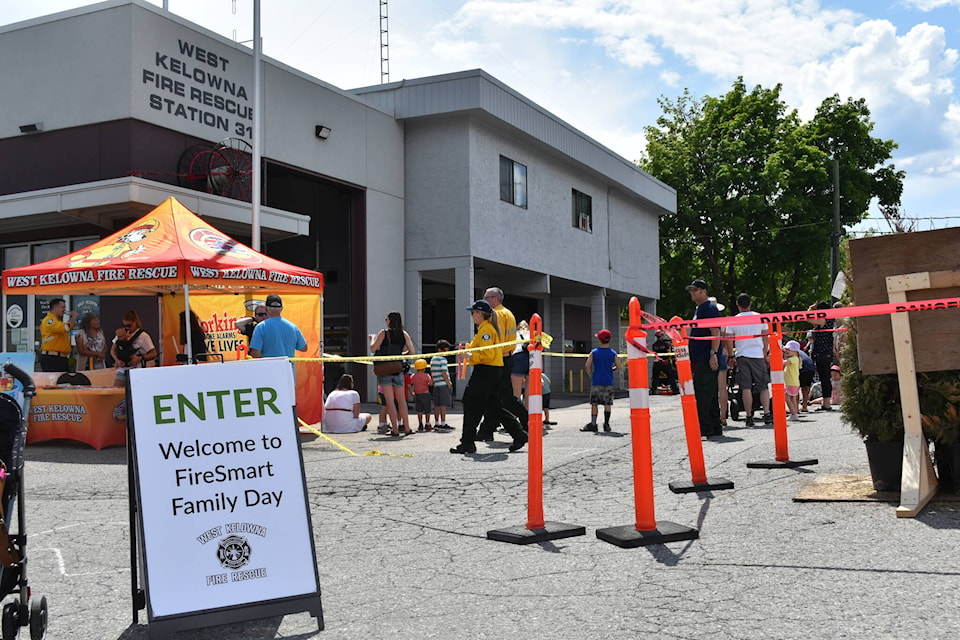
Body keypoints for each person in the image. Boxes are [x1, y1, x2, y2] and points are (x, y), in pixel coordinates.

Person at [450, 300, 527, 454]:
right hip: (492, 371)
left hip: (486, 371)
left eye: (473, 312)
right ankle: (518, 434)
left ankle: (467, 442)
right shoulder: (486, 329)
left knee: (471, 403)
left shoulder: (486, 330)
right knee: (494, 406)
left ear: (479, 313)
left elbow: (488, 354)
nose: (472, 316)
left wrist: (470, 355)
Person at [475, 287, 528, 441]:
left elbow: (494, 339)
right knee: (496, 397)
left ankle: (525, 422)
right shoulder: (508, 313)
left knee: (503, 397)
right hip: (507, 357)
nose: (485, 300)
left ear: (495, 298)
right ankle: (486, 430)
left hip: (498, 359)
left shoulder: (495, 314)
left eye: (487, 297)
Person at [725, 293, 771, 427]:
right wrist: (764, 352)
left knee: (745, 387)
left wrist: (731, 356)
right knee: (763, 386)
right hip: (757, 354)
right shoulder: (759, 317)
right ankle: (767, 414)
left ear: (738, 306)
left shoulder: (733, 320)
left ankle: (749, 416)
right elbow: (765, 336)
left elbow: (729, 339)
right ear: (750, 304)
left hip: (742, 355)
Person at [686, 279, 723, 438]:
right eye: (691, 290)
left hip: (706, 357)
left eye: (695, 290)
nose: (692, 293)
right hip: (702, 357)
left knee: (702, 394)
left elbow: (715, 332)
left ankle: (705, 428)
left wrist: (713, 354)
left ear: (704, 291)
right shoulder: (701, 308)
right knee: (711, 394)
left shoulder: (708, 308)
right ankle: (715, 427)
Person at [370, 311, 416, 437]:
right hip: (397, 368)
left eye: (386, 319)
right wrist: (400, 356)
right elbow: (411, 351)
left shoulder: (383, 333)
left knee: (390, 401)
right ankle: (407, 427)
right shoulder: (404, 334)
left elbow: (373, 349)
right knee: (402, 401)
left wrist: (372, 339)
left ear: (389, 321)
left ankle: (395, 429)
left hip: (384, 369)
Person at [580, 329, 622, 433]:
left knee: (594, 403)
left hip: (597, 381)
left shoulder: (594, 352)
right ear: (610, 340)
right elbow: (619, 367)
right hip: (608, 381)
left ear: (599, 340)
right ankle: (606, 424)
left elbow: (587, 366)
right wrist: (611, 370)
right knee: (607, 403)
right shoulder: (612, 353)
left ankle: (593, 424)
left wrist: (591, 375)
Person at [249, 295, 307, 360]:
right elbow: (304, 348)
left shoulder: (261, 327)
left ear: (266, 309)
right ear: (281, 309)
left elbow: (256, 354)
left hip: (268, 368)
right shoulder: (293, 327)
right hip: (288, 368)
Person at [111, 310, 157, 387]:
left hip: (137, 370)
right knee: (117, 391)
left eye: (129, 326)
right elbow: (113, 350)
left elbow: (153, 353)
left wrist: (140, 358)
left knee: (135, 391)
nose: (127, 328)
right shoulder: (122, 333)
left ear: (135, 322)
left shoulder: (143, 336)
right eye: (125, 326)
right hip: (122, 369)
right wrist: (117, 360)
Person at [807, 300, 836, 411]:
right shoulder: (828, 319)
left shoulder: (823, 319)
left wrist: (810, 308)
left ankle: (827, 403)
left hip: (823, 352)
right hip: (823, 352)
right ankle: (826, 402)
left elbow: (807, 318)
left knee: (824, 378)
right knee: (824, 378)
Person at [39, 298, 77, 372]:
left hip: (60, 358)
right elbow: (65, 328)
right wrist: (73, 317)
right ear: (55, 307)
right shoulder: (49, 320)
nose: (65, 310)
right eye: (63, 307)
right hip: (52, 359)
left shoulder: (57, 321)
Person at [431, 339, 454, 430]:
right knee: (443, 405)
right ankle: (443, 423)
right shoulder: (443, 359)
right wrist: (448, 382)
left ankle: (437, 423)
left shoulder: (433, 358)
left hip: (436, 384)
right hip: (443, 384)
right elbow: (444, 372)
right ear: (440, 350)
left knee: (437, 405)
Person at [650, 330, 679, 395]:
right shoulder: (666, 344)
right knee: (671, 376)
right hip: (665, 362)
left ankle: (653, 390)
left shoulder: (654, 345)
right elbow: (670, 352)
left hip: (657, 362)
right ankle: (675, 389)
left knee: (655, 377)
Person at [411, 359, 434, 431]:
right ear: (424, 368)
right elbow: (431, 383)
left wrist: (412, 392)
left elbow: (411, 384)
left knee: (419, 410)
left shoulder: (413, 376)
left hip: (418, 395)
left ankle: (420, 424)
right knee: (427, 409)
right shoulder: (426, 375)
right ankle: (427, 424)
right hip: (425, 394)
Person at [511, 319, 531, 405]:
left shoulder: (515, 334)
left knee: (516, 391)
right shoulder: (532, 334)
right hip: (531, 358)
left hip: (517, 358)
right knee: (529, 390)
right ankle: (528, 412)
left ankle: (515, 413)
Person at [782, 340, 802, 421]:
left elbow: (784, 363)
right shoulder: (796, 358)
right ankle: (795, 413)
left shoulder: (793, 359)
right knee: (792, 398)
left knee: (787, 398)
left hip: (791, 382)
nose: (786, 351)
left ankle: (793, 414)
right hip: (794, 382)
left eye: (789, 349)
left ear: (795, 351)